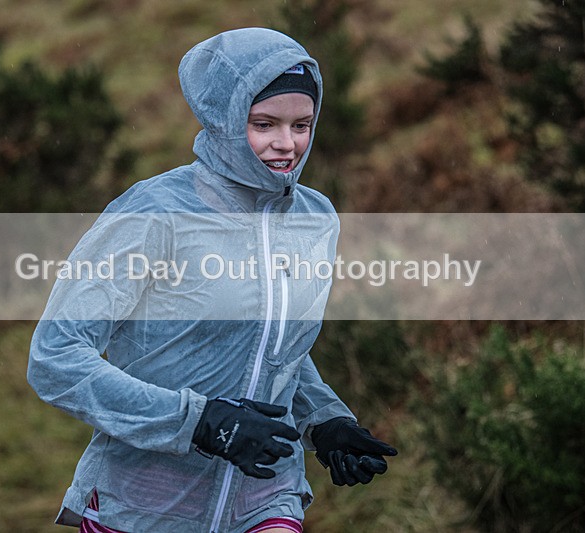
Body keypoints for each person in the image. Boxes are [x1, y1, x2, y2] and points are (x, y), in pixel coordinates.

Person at [27, 27, 397, 533]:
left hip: (265, 497)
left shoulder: (316, 218)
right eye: (263, 124)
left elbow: (272, 339)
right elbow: (56, 358)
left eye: (302, 125)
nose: (285, 145)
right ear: (223, 118)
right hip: (146, 504)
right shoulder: (153, 212)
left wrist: (325, 421)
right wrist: (200, 423)